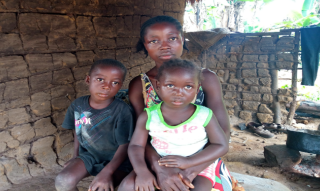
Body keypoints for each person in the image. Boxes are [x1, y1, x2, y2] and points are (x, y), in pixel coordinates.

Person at [119, 16, 232, 191]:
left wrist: (192, 169)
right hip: (157, 157)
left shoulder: (206, 78)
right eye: (154, 41)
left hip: (201, 158)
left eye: (172, 38)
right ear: (145, 45)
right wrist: (159, 168)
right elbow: (141, 137)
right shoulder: (139, 85)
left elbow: (223, 133)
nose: (164, 46)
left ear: (182, 40)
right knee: (127, 185)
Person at [124, 59, 229, 191]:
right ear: (158, 86)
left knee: (200, 188)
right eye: (170, 85)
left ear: (197, 89)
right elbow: (136, 146)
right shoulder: (149, 116)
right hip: (159, 164)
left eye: (188, 87)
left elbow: (221, 145)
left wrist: (189, 162)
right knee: (127, 185)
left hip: (197, 164)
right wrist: (142, 171)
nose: (179, 92)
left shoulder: (204, 115)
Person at [55, 59, 134, 191]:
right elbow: (78, 130)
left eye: (115, 82)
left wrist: (107, 172)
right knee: (63, 181)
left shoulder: (122, 111)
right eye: (100, 80)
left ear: (120, 86)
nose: (106, 86)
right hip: (90, 156)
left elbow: (124, 145)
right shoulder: (77, 105)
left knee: (100, 188)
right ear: (88, 80)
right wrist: (75, 156)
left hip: (118, 161)